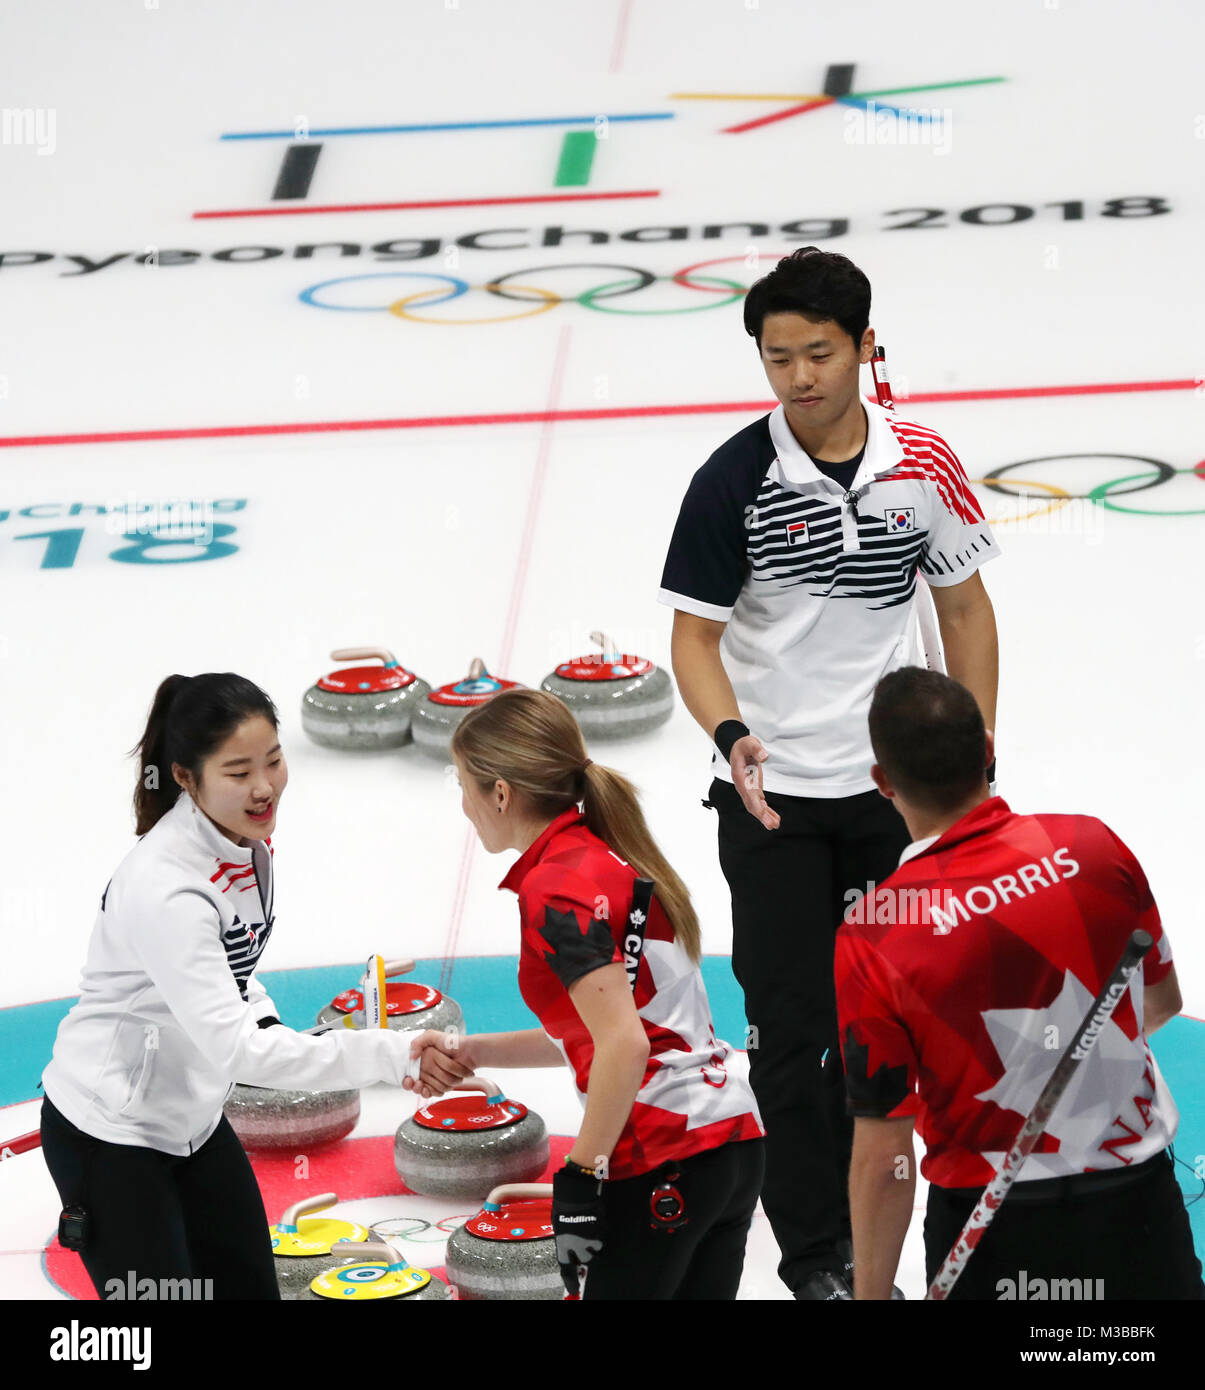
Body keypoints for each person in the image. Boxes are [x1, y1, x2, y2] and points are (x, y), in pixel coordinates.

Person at [657, 246, 1001, 1297]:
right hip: (770, 806)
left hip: (895, 797)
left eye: (817, 352)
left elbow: (963, 612)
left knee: (929, 1021)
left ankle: (953, 1224)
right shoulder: (732, 481)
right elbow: (692, 640)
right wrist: (730, 737)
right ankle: (820, 1257)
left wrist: (968, 771)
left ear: (862, 348)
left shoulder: (924, 464)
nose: (798, 377)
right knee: (795, 1043)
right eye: (776, 358)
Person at [39, 672, 456, 1301]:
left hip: (194, 1121)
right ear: (185, 776)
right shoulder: (167, 889)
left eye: (274, 760)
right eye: (238, 772)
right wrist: (389, 1051)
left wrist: (270, 1022)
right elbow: (240, 1051)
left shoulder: (243, 844)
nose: (264, 787)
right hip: (110, 1137)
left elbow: (233, 974)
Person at [836, 666, 1203, 1300]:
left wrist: (871, 1294)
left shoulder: (875, 934)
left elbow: (885, 1157)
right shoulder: (1093, 847)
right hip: (1138, 1209)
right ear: (987, 748)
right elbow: (1161, 1003)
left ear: (882, 782)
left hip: (993, 1232)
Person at [410, 686, 765, 1300]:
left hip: (661, 1154)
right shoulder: (603, 855)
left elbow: (624, 1045)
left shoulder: (556, 888)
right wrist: (474, 1051)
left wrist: (583, 1171)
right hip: (728, 1142)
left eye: (464, 785)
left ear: (500, 793)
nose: (464, 806)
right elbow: (610, 1031)